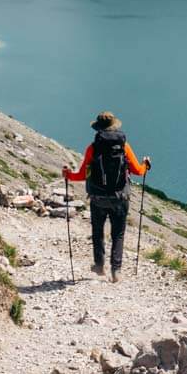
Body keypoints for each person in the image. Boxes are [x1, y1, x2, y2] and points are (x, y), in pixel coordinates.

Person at [63, 111, 150, 282]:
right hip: (120, 198)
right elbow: (138, 171)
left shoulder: (92, 148)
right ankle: (116, 271)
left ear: (98, 129)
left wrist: (67, 174)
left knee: (97, 231)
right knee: (118, 234)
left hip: (97, 198)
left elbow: (82, 175)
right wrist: (146, 164)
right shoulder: (124, 147)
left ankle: (99, 265)